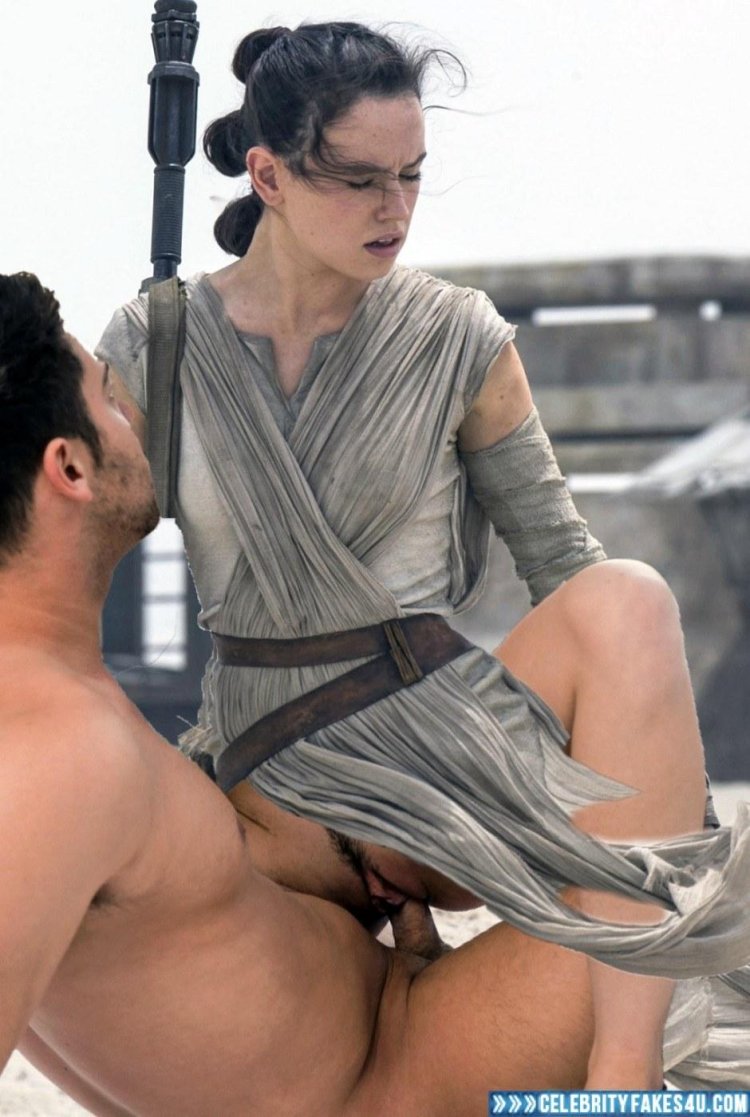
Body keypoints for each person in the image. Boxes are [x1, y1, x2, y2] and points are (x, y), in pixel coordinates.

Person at [96, 22, 750, 1089]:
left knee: (626, 596)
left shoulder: (458, 337)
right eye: (359, 180)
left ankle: (621, 1086)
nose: (394, 208)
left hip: (444, 765)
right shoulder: (153, 341)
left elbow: (563, 565)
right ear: (268, 174)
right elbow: (71, 570)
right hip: (264, 782)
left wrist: (679, 828)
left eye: (410, 176)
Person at [0, 273, 747, 1115]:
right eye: (109, 400)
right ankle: (624, 1092)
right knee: (630, 618)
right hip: (398, 1073)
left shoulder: (54, 701)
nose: (132, 419)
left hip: (404, 1001)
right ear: (69, 466)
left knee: (615, 627)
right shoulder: (60, 750)